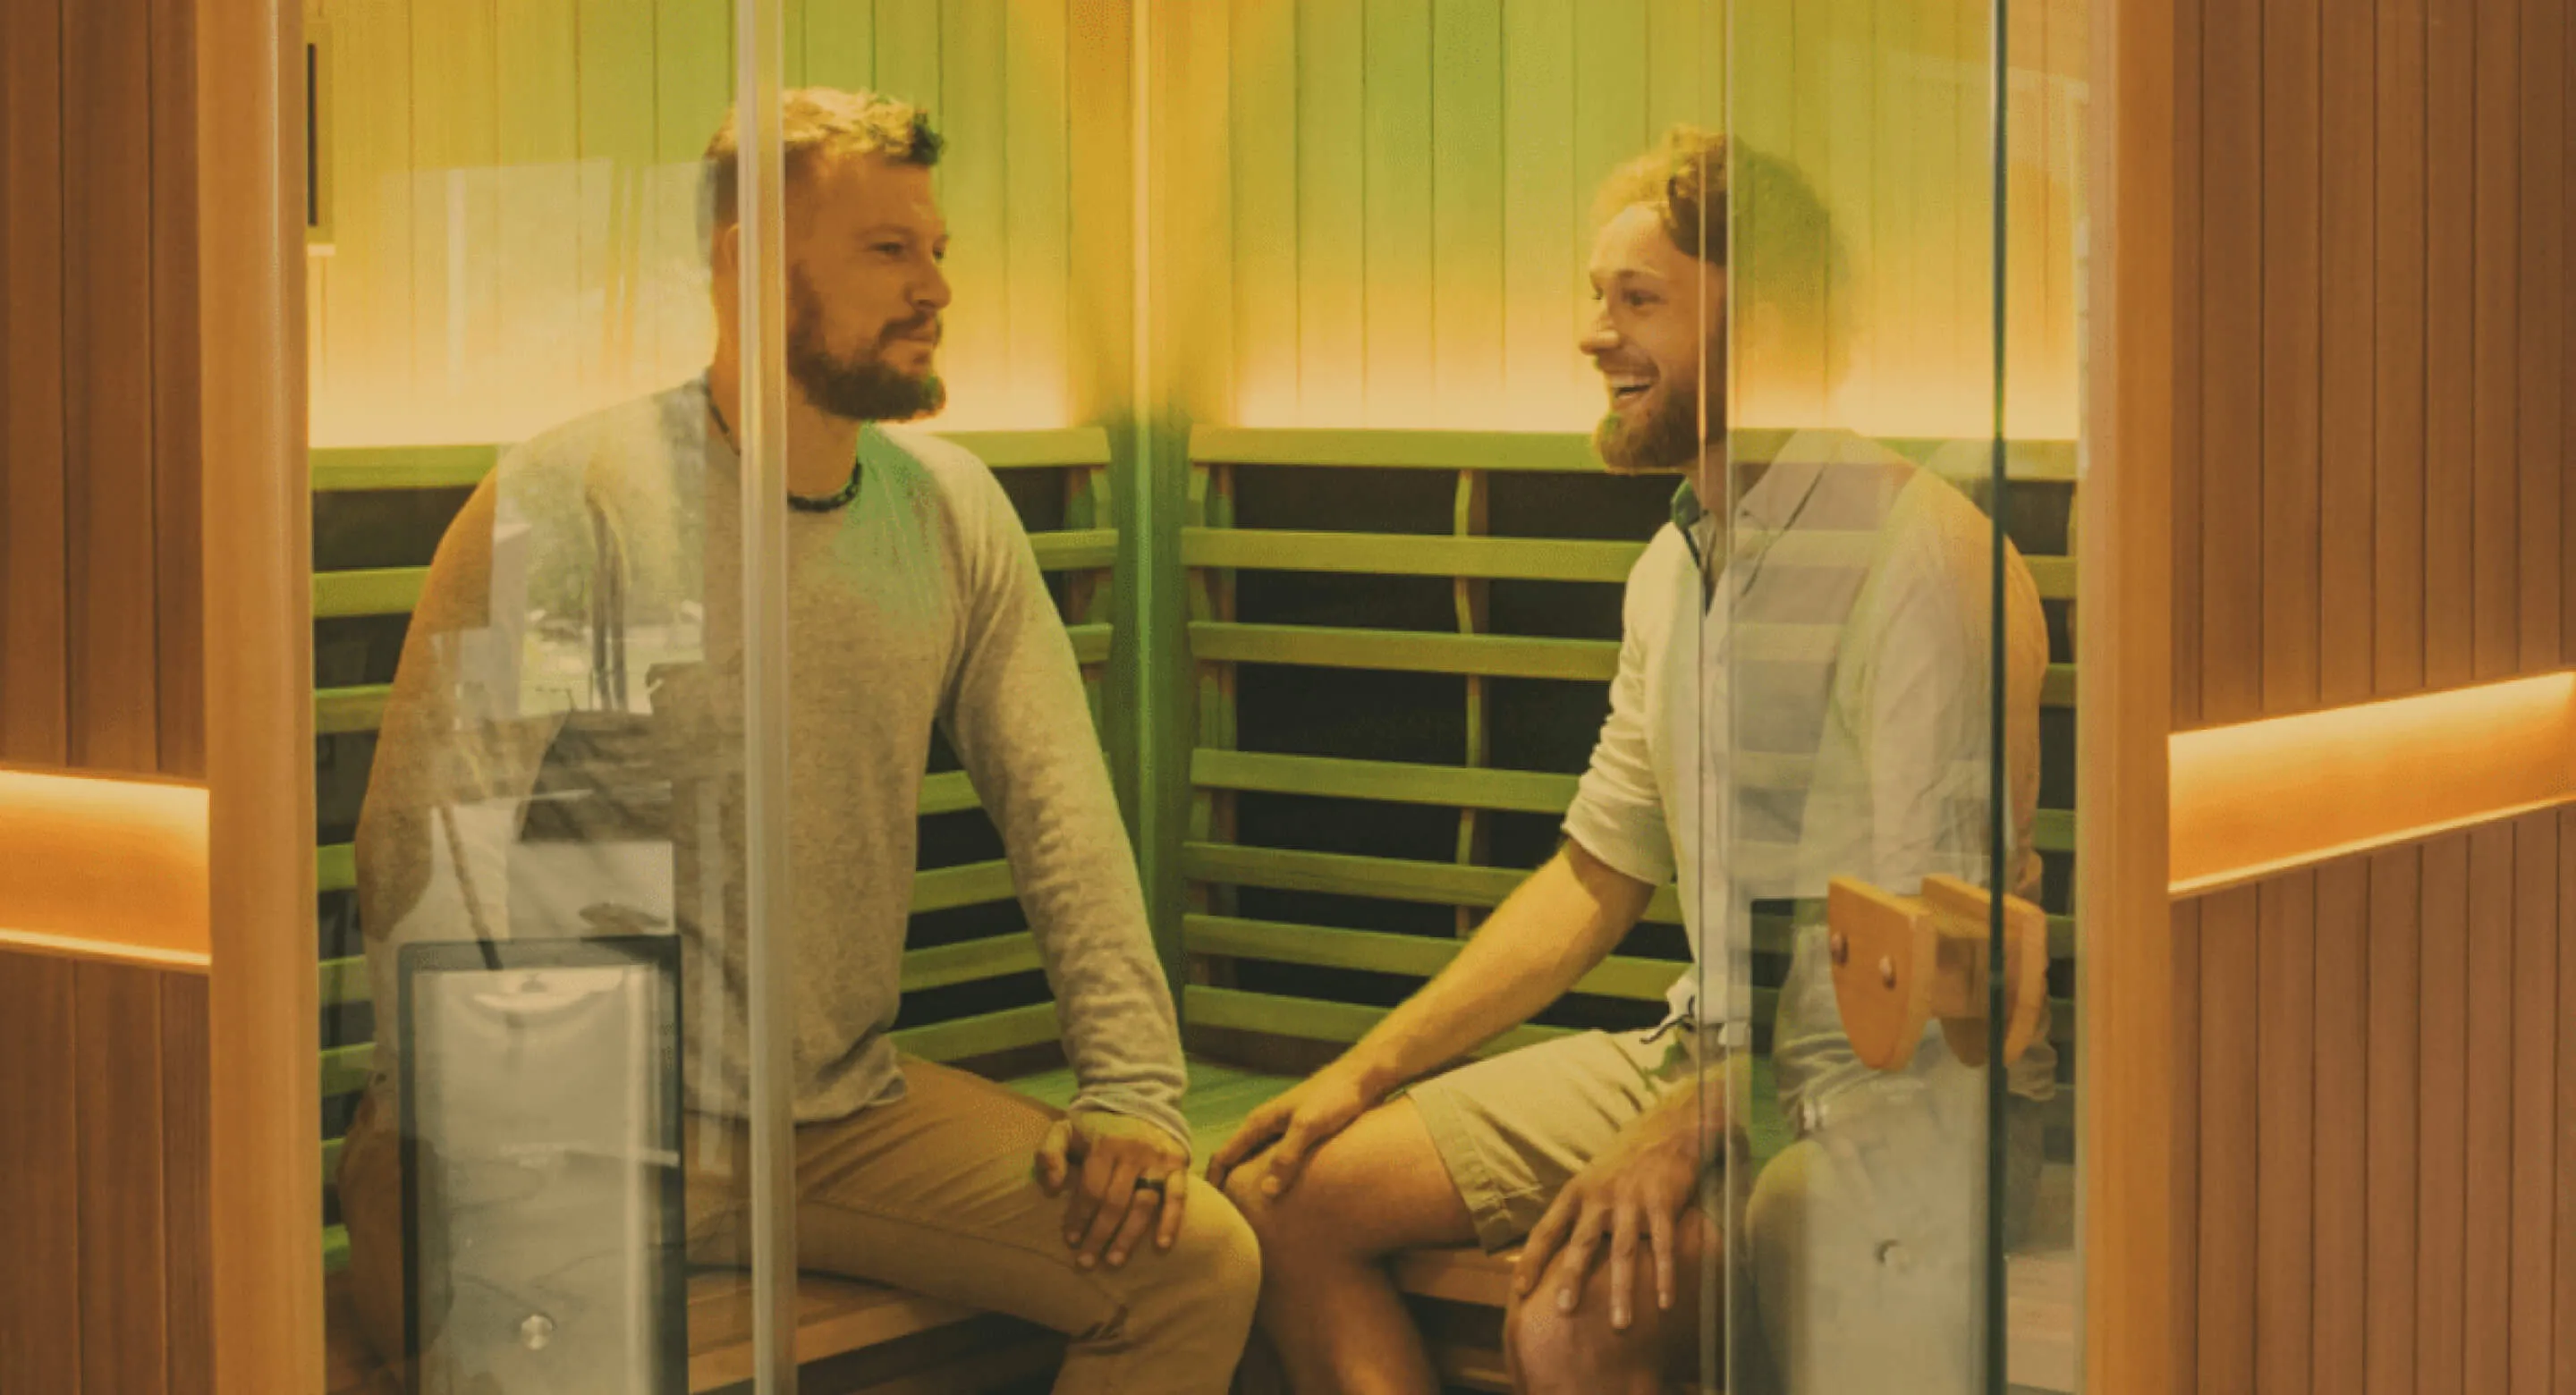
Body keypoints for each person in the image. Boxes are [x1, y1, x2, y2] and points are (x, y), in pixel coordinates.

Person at [336, 88, 1258, 1394]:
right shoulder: (579, 499)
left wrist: (1131, 1092)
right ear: (745, 267)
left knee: (1192, 1263)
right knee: (562, 1361)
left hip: (823, 1123)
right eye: (888, 250)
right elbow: (428, 848)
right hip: (532, 1123)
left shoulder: (945, 511)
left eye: (937, 248)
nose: (935, 284)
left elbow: (1064, 819)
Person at [1208, 126, 2053, 1395]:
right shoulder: (1675, 566)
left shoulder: (1920, 558)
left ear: (1760, 322)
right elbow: (1596, 874)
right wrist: (1362, 1072)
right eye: (1597, 299)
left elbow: (1921, 948)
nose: (1595, 335)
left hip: (1916, 1096)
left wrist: (1696, 1125)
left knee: (1575, 1327)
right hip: (1706, 1049)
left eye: (1638, 300)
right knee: (1284, 1195)